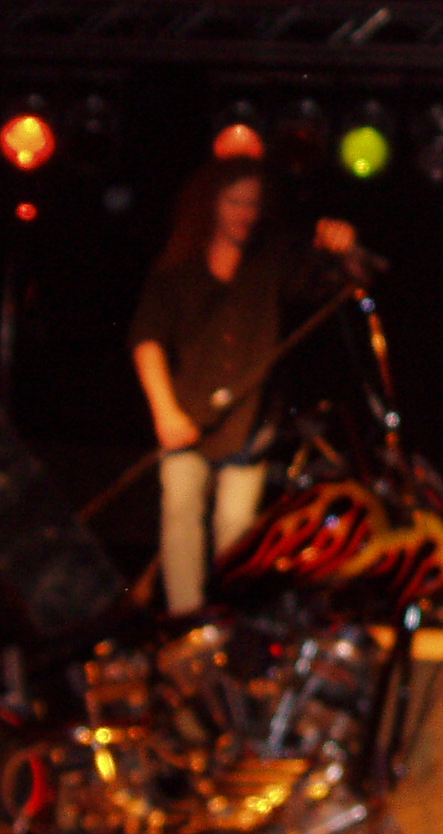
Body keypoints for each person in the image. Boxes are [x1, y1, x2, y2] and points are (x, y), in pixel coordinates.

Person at [128, 158, 358, 612]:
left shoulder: (271, 260)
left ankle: (230, 625)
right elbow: (146, 339)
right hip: (187, 417)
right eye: (234, 202)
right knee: (180, 516)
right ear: (210, 204)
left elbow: (322, 282)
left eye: (253, 203)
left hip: (249, 425)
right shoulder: (178, 268)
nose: (245, 213)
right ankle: (187, 622)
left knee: (236, 526)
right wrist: (165, 412)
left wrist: (339, 248)